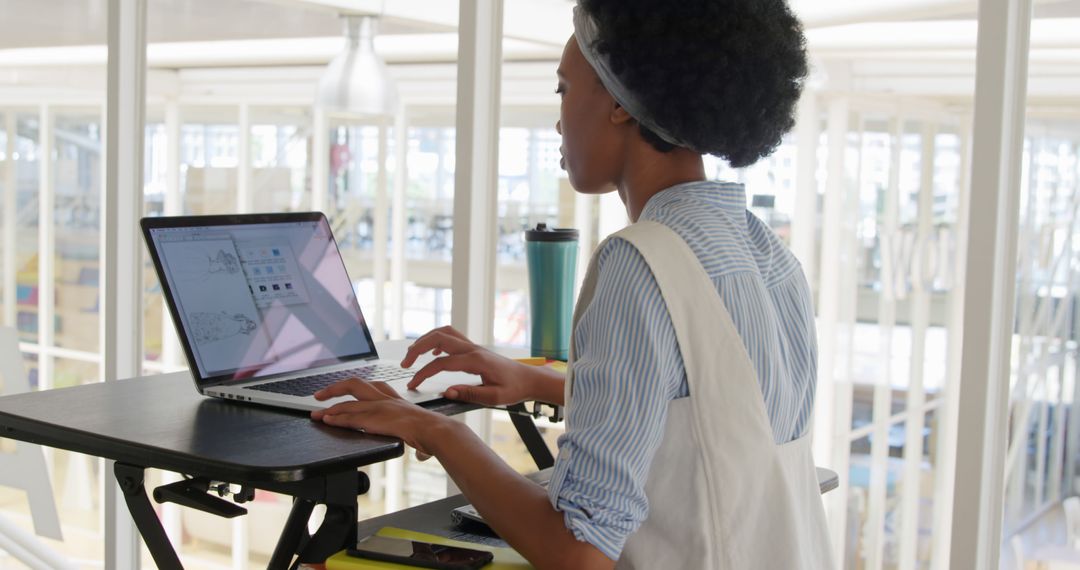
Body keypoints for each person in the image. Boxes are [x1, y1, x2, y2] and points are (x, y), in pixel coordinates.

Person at [311, 0, 833, 568]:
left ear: (616, 101)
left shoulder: (641, 263)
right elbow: (721, 416)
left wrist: (437, 432)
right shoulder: (767, 254)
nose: (559, 120)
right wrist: (538, 382)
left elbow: (578, 553)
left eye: (563, 89)